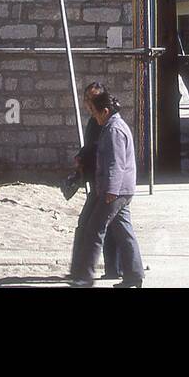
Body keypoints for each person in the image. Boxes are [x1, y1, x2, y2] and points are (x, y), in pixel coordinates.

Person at [69, 87, 145, 288]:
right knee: (124, 232)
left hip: (115, 191)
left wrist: (110, 190)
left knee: (94, 230)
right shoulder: (112, 126)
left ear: (105, 111)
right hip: (122, 189)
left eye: (95, 112)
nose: (94, 116)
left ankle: (85, 277)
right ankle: (134, 275)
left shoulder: (113, 130)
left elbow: (116, 163)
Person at [68, 81, 121, 280]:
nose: (88, 104)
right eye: (87, 99)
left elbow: (110, 155)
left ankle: (83, 273)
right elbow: (91, 146)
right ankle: (121, 270)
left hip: (106, 184)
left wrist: (112, 187)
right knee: (115, 227)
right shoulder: (95, 121)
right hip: (99, 180)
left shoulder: (110, 124)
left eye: (91, 100)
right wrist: (81, 156)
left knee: (92, 227)